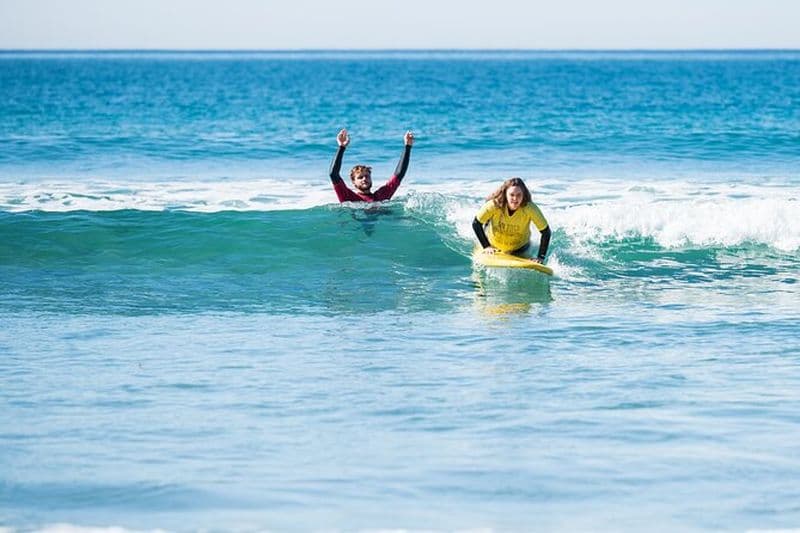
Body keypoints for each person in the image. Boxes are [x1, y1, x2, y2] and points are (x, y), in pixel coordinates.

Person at [472, 177, 552, 263]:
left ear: (523, 195)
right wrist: (486, 246)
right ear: (505, 194)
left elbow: (546, 232)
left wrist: (540, 257)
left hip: (520, 249)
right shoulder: (494, 205)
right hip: (493, 246)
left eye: (519, 195)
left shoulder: (530, 209)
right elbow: (476, 223)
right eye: (512, 195)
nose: (515, 198)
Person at [328, 129, 414, 203]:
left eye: (367, 176)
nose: (364, 179)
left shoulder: (381, 195)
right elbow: (333, 174)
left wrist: (408, 146)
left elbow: (399, 174)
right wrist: (341, 147)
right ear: (353, 182)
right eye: (360, 177)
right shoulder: (348, 197)